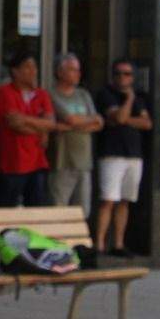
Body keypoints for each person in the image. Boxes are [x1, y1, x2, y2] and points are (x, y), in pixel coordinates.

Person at [94, 59, 152, 256]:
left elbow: (147, 123)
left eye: (127, 74)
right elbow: (118, 117)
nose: (122, 77)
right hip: (112, 154)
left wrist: (125, 118)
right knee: (108, 200)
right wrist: (128, 101)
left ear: (133, 77)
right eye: (118, 73)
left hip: (134, 155)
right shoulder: (106, 94)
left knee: (125, 201)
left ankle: (118, 243)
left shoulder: (140, 98)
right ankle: (100, 244)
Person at [0, 51, 56, 207]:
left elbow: (51, 123)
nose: (33, 71)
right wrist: (41, 128)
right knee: (9, 211)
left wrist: (26, 119)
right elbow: (16, 126)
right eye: (27, 67)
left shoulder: (41, 94)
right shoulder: (4, 92)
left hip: (38, 162)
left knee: (36, 209)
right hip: (13, 164)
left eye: (34, 67)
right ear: (15, 71)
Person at [49, 53, 102, 216]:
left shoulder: (83, 94)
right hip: (62, 161)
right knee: (59, 207)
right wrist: (84, 122)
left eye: (78, 70)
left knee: (82, 211)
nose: (78, 74)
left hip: (84, 162)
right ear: (60, 72)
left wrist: (75, 124)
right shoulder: (51, 94)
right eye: (72, 70)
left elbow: (99, 122)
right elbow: (71, 119)